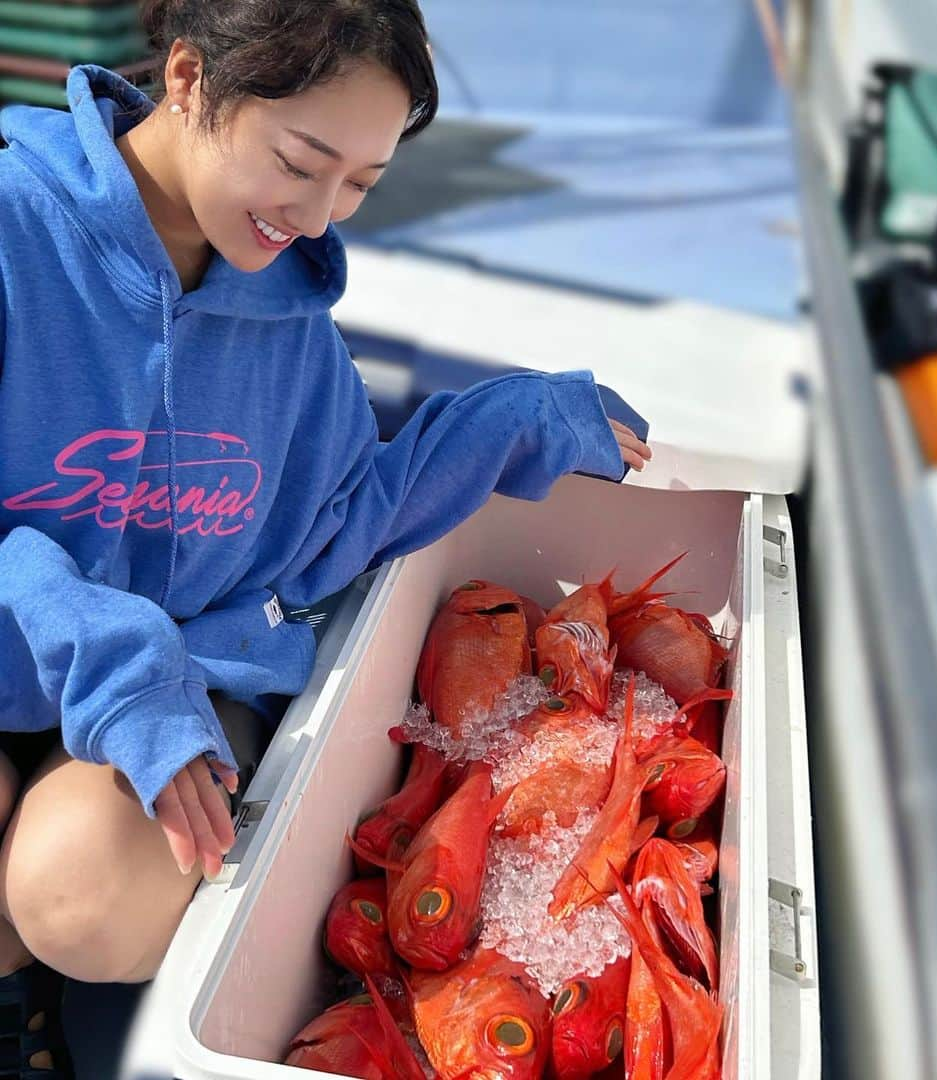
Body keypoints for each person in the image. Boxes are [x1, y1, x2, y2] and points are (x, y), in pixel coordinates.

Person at [0, 0, 651, 1073]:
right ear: (186, 79)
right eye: (301, 162)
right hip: (41, 665)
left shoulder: (285, 314)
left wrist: (512, 422)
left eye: (359, 184)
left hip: (189, 695)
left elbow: (335, 518)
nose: (315, 216)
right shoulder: (19, 228)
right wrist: (111, 663)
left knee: (79, 880)